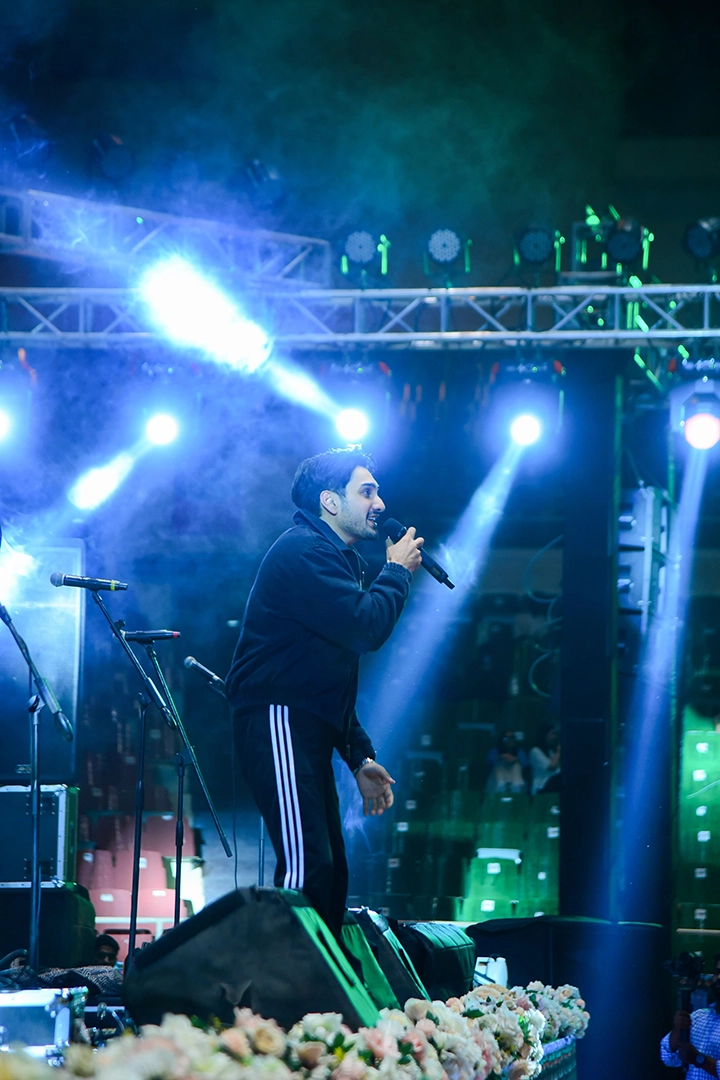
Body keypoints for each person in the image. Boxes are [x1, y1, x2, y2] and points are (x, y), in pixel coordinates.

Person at [225, 447, 423, 940]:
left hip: (303, 721)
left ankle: (319, 985)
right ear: (330, 502)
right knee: (306, 868)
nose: (380, 503)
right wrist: (396, 572)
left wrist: (359, 756)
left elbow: (328, 677)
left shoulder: (336, 557)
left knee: (330, 871)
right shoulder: (304, 552)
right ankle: (286, 983)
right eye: (367, 491)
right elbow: (365, 628)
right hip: (278, 718)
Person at [661, 953, 720, 1076]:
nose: (719, 977)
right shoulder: (697, 1017)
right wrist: (678, 1029)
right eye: (717, 972)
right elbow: (669, 1058)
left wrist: (699, 1059)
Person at [529, 723, 561, 794]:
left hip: (554, 785)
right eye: (552, 734)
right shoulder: (535, 751)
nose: (554, 737)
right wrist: (558, 752)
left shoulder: (550, 752)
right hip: (542, 785)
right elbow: (551, 767)